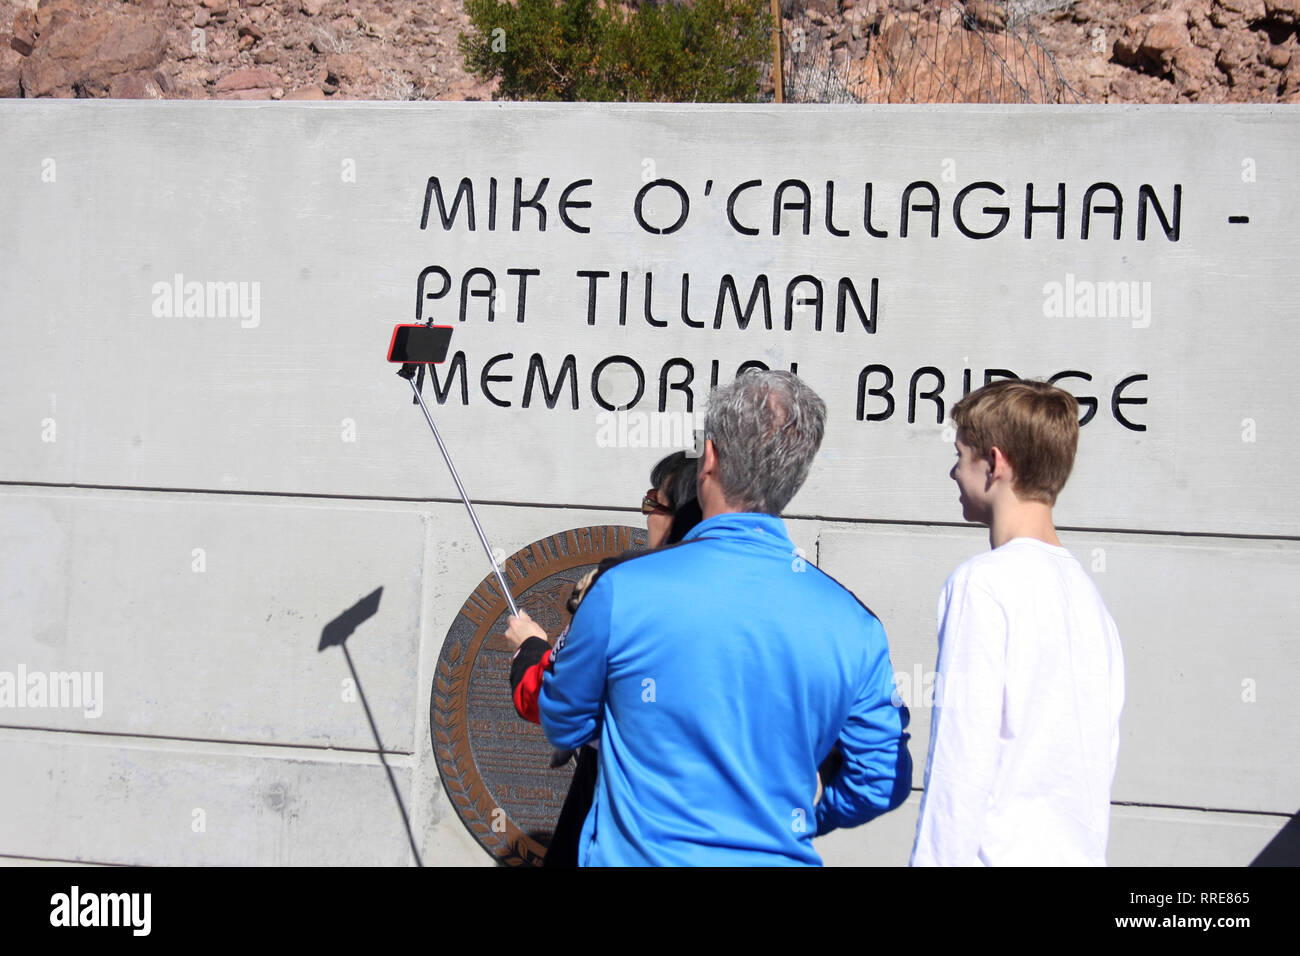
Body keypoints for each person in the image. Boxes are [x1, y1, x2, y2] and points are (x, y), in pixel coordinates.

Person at [534, 369, 911, 866]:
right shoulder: (853, 624)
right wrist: (796, 821)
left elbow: (562, 721)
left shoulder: (624, 590)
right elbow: (879, 778)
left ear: (709, 458)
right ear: (794, 475)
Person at [910, 379, 1125, 866]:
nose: (952, 470)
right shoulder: (1093, 604)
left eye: (962, 455)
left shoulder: (983, 585)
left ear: (995, 462)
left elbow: (959, 766)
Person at [502, 451, 702, 867]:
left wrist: (531, 648)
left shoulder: (619, 590)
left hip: (619, 816)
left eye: (654, 504)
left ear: (678, 516)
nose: (647, 515)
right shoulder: (773, 596)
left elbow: (542, 698)